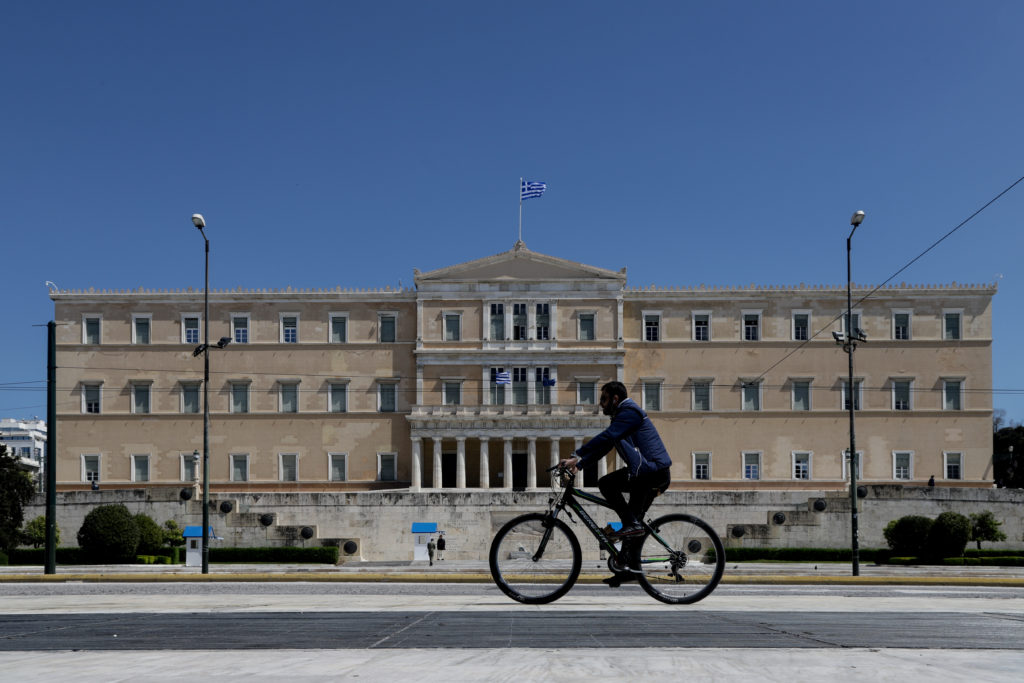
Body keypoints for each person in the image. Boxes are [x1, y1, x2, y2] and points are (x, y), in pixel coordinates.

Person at [560, 381, 672, 586]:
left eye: (603, 399)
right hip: (645, 474)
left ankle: (631, 528)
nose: (600, 404)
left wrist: (578, 455)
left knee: (607, 484)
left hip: (652, 473)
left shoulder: (630, 413)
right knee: (633, 525)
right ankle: (629, 568)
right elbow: (606, 446)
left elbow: (608, 437)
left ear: (615, 399)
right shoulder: (621, 418)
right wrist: (581, 463)